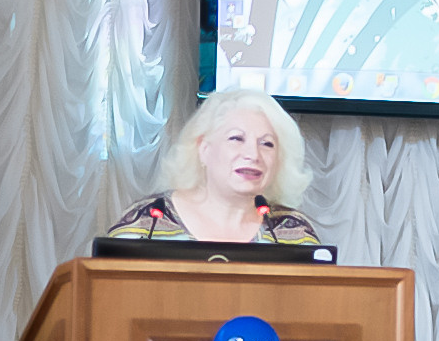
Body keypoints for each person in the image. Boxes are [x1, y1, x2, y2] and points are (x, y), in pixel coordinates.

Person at [107, 89, 319, 244]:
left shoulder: (293, 233)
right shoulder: (148, 224)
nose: (253, 155)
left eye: (267, 144)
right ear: (204, 149)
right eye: (236, 138)